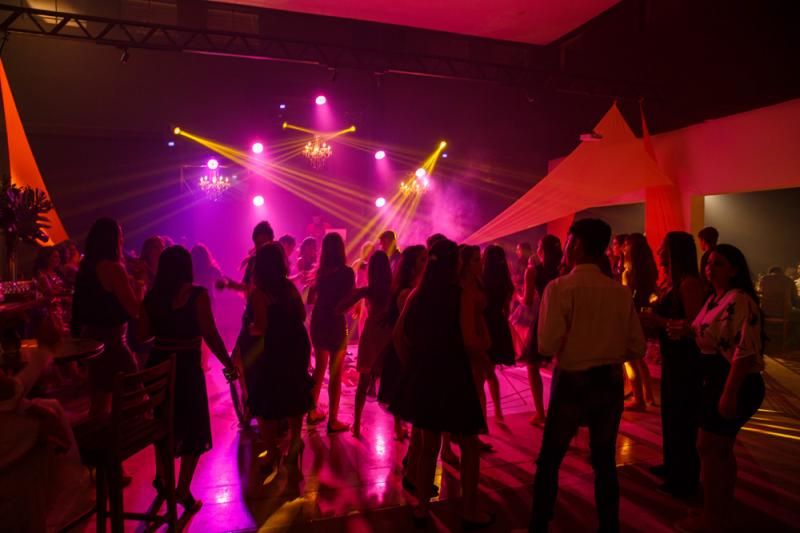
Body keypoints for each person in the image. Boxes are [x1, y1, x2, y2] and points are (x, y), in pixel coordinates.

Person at [530, 219, 646, 532]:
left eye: (568, 242)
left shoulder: (559, 288)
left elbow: (546, 345)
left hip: (573, 381)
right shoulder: (619, 293)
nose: (565, 249)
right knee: (604, 461)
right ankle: (609, 527)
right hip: (609, 383)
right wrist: (607, 345)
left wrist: (576, 341)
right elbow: (637, 346)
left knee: (550, 459)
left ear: (577, 245)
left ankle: (538, 526)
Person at [389, 239, 492, 529]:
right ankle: (470, 510)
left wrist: (413, 365)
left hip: (425, 375)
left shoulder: (417, 294)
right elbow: (469, 340)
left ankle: (422, 509)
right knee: (469, 444)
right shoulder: (460, 295)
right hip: (453, 375)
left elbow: (398, 337)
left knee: (428, 444)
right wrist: (485, 356)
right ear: (453, 263)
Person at [671, 244, 766, 532]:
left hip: (734, 381)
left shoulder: (739, 299)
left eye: (719, 263)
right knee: (720, 450)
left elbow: (744, 351)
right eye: (708, 263)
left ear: (735, 270)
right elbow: (711, 334)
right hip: (716, 379)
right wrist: (686, 330)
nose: (710, 268)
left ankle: (712, 519)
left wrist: (729, 392)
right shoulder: (715, 298)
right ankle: (719, 510)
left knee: (709, 448)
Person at [139, 246, 237, 513]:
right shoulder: (196, 295)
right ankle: (182, 489)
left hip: (158, 367)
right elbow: (210, 334)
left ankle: (163, 478)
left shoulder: (153, 296)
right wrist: (229, 366)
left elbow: (142, 335)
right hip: (186, 368)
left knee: (164, 423)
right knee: (193, 428)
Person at [239, 243, 312, 479]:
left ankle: (272, 453)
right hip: (296, 346)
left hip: (274, 350)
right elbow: (302, 315)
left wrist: (250, 329)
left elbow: (262, 327)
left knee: (267, 401)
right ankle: (294, 445)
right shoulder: (289, 287)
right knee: (294, 394)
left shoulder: (259, 294)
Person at [641, 232, 705, 498]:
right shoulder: (674, 281)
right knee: (670, 415)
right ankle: (672, 466)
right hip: (673, 358)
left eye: (663, 248)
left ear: (675, 252)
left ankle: (684, 479)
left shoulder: (689, 284)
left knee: (683, 419)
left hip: (686, 362)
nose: (658, 252)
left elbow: (696, 327)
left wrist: (657, 320)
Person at [71, 218, 142, 416]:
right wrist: (141, 284)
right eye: (120, 235)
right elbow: (135, 310)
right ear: (114, 239)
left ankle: (99, 434)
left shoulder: (86, 266)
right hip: (112, 341)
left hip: (90, 339)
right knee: (136, 394)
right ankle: (129, 432)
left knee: (101, 397)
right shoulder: (113, 268)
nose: (123, 239)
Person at [336, 251, 393, 438]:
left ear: (372, 271)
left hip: (371, 336)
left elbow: (341, 307)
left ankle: (357, 424)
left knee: (363, 381)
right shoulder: (394, 290)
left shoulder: (367, 290)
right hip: (388, 335)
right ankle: (399, 426)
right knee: (393, 380)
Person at [378, 245, 427, 441]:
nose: (427, 262)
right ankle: (402, 430)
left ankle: (404, 430)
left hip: (407, 347)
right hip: (405, 348)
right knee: (403, 390)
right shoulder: (406, 292)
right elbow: (406, 327)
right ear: (412, 266)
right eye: (423, 259)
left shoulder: (415, 289)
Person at [308, 232, 355, 432]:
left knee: (319, 368)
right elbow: (349, 302)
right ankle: (333, 421)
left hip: (319, 319)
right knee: (335, 372)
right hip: (335, 321)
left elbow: (310, 300)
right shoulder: (347, 273)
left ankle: (311, 412)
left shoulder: (319, 273)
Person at [519, 234, 562, 425]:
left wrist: (517, 296)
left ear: (542, 250)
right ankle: (560, 412)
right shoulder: (564, 270)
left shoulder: (533, 271)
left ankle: (540, 414)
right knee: (563, 365)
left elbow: (527, 301)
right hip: (564, 319)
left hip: (544, 319)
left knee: (532, 365)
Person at [620, 233, 657, 411]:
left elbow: (626, 297)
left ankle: (638, 399)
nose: (623, 248)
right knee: (639, 358)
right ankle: (648, 395)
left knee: (629, 359)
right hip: (643, 315)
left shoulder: (629, 272)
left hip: (631, 316)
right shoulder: (648, 270)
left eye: (625, 245)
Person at [482, 245, 516, 422]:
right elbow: (506, 310)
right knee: (491, 372)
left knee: (482, 373)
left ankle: (482, 414)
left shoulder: (481, 280)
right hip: (498, 324)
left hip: (483, 325)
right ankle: (497, 410)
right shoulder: (505, 282)